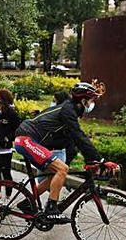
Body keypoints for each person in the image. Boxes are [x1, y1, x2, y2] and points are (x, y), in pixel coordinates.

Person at [14, 82, 117, 223]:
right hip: (26, 139)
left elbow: (74, 141)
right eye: (92, 100)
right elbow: (79, 135)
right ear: (83, 100)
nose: (92, 104)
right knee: (62, 169)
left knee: (55, 174)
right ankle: (51, 209)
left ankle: (27, 202)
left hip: (30, 140)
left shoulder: (70, 110)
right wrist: (100, 160)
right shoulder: (67, 111)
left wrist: (91, 161)